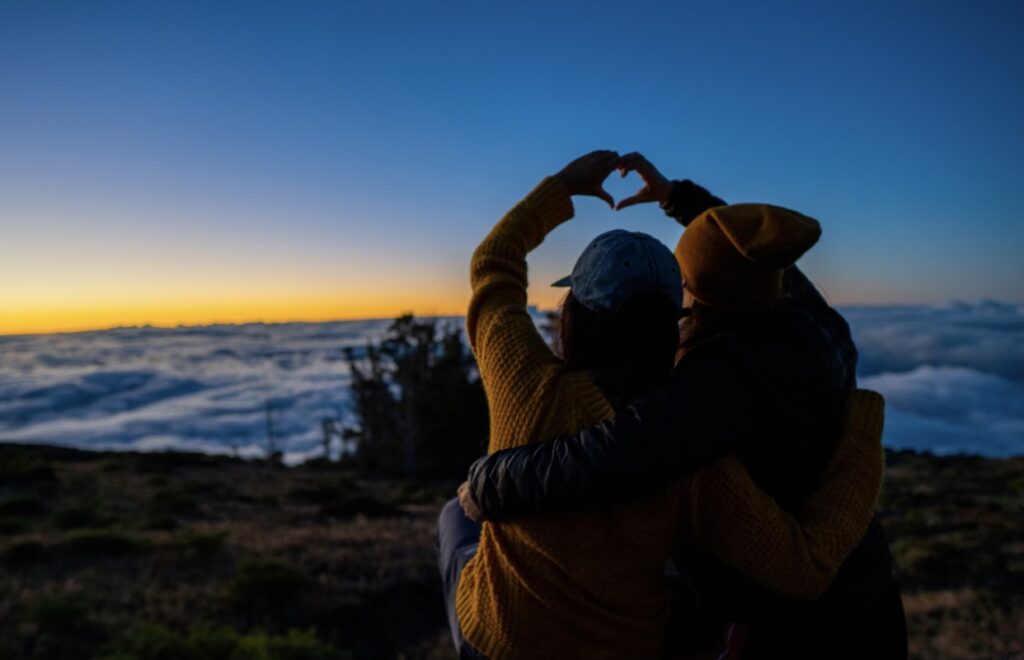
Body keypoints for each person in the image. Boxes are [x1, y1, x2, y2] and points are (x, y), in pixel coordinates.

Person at [437, 150, 886, 660]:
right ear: (675, 322)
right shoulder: (697, 453)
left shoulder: (522, 380)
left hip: (496, 639)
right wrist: (863, 428)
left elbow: (493, 262)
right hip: (623, 648)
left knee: (455, 519)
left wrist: (562, 186)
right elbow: (806, 567)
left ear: (574, 316)